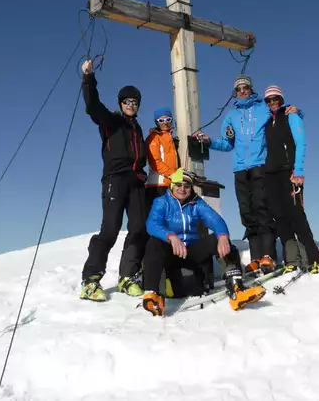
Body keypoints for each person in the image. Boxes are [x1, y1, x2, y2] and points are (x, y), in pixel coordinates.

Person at [193, 75, 298, 275]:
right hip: (240, 169)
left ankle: (269, 256)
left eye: (245, 88)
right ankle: (256, 258)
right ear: (235, 92)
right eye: (239, 89)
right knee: (246, 212)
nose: (242, 91)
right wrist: (209, 141)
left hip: (261, 165)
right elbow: (227, 143)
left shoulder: (262, 109)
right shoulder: (231, 116)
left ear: (251, 89)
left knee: (262, 208)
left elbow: (280, 112)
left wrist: (294, 110)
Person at [141, 169, 267, 316]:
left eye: (187, 186)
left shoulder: (196, 203)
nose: (182, 189)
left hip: (191, 251)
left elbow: (215, 219)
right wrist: (171, 236)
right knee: (154, 242)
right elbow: (152, 224)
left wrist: (222, 235)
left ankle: (237, 290)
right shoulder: (161, 202)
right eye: (178, 185)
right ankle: (153, 295)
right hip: (170, 252)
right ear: (172, 185)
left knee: (220, 240)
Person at [79, 59, 148, 301]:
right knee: (110, 229)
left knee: (139, 228)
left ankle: (127, 277)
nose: (131, 105)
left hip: (137, 182)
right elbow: (92, 106)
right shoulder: (111, 121)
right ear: (121, 103)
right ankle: (90, 280)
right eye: (127, 101)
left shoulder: (138, 129)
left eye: (135, 102)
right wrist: (88, 78)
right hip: (115, 180)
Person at [262, 84, 319, 274]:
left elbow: (301, 143)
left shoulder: (291, 115)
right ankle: (291, 258)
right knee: (279, 215)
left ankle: (312, 258)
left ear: (281, 100)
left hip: (289, 172)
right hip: (270, 173)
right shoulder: (266, 121)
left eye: (276, 99)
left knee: (296, 214)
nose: (273, 103)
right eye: (269, 100)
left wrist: (298, 170)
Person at [145, 106, 181, 207]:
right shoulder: (153, 138)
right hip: (157, 185)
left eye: (168, 119)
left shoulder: (171, 139)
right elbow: (155, 162)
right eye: (161, 120)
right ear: (157, 122)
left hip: (171, 184)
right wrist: (173, 174)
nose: (165, 122)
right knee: (157, 217)